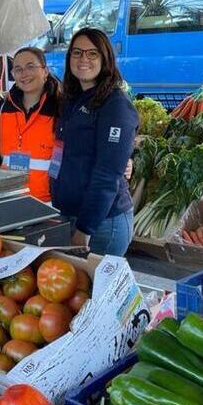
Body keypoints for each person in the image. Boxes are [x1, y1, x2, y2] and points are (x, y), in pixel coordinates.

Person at [50, 28, 138, 256]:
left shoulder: (115, 105)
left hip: (101, 225)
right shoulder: (72, 98)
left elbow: (107, 174)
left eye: (92, 54)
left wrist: (85, 228)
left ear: (105, 58)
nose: (83, 59)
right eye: (77, 53)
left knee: (95, 290)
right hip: (69, 214)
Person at [0, 47, 60, 202]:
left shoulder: (61, 108)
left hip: (47, 203)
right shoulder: (3, 108)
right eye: (18, 69)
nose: (24, 73)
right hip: (8, 199)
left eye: (30, 66)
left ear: (45, 71)